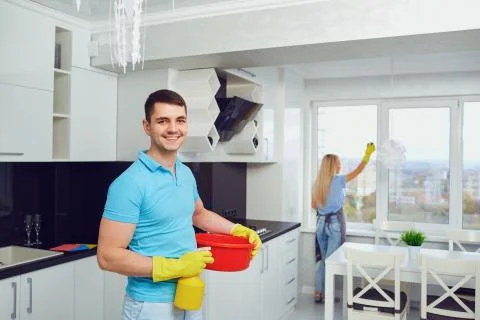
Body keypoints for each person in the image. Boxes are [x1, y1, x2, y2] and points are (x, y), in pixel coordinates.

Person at [97, 89, 262, 320]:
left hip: (190, 293)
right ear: (147, 126)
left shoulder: (184, 173)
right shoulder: (129, 183)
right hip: (150, 305)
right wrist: (174, 267)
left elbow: (199, 214)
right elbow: (107, 256)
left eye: (180, 120)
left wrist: (237, 231)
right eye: (163, 121)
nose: (173, 129)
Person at [311, 143, 375, 303]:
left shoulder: (317, 183)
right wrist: (367, 155)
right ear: (333, 166)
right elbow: (358, 171)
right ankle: (327, 296)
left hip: (320, 224)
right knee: (331, 262)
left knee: (322, 260)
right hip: (334, 225)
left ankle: (319, 292)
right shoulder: (339, 180)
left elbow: (313, 205)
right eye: (338, 163)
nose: (340, 166)